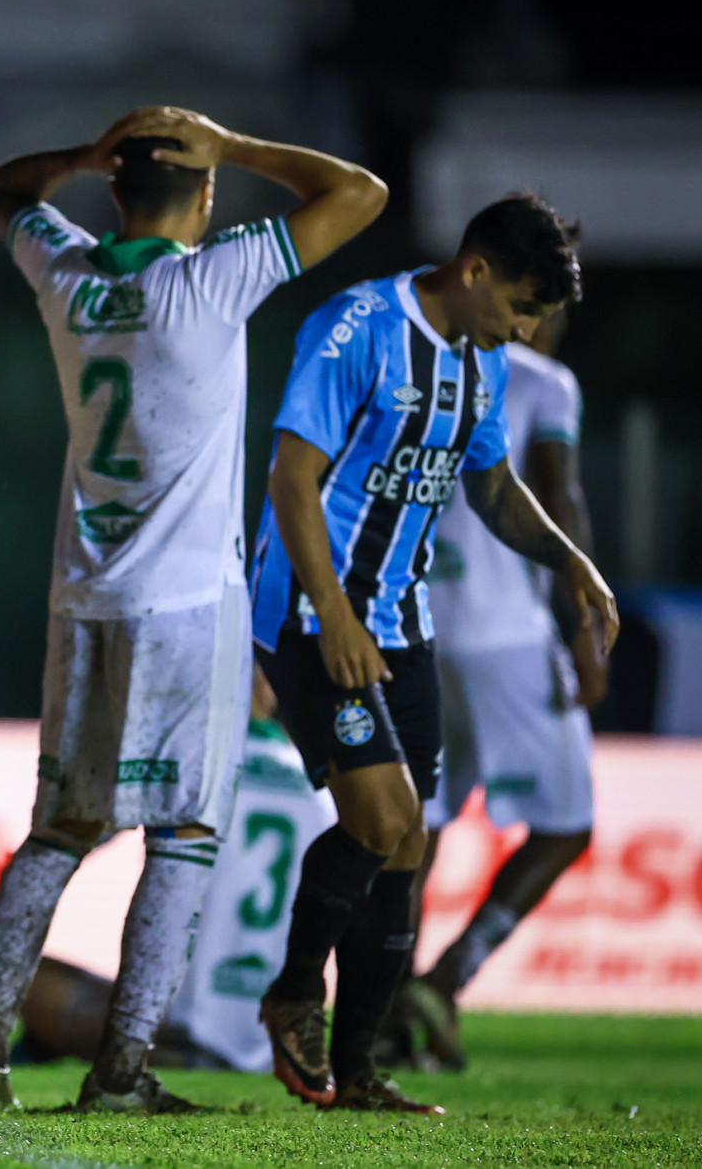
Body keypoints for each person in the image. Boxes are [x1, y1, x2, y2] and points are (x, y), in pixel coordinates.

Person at [0, 107, 387, 1115]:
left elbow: (5, 189)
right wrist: (229, 147)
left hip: (82, 597)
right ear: (200, 201)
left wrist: (72, 156)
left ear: (109, 194)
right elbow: (358, 193)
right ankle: (121, 1070)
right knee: (183, 834)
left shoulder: (65, 272)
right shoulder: (209, 276)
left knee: (57, 831)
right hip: (187, 603)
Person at [248, 191, 617, 1115]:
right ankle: (294, 991)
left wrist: (571, 562)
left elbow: (491, 485)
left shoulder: (482, 359)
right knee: (383, 817)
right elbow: (292, 476)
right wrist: (330, 611)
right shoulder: (358, 326)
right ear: (476, 270)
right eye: (523, 306)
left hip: (404, 620)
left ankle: (361, 1067)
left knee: (410, 839)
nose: (528, 329)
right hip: (310, 608)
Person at [0, 677, 335, 1074]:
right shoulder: (320, 788)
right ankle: (40, 1046)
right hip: (267, 1036)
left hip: (173, 1035)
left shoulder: (195, 759)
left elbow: (75, 839)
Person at [400, 306, 604, 1070]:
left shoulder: (426, 365)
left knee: (423, 824)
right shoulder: (546, 383)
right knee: (567, 822)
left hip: (422, 625)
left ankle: (387, 1007)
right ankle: (447, 977)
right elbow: (560, 495)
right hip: (509, 634)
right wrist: (583, 624)